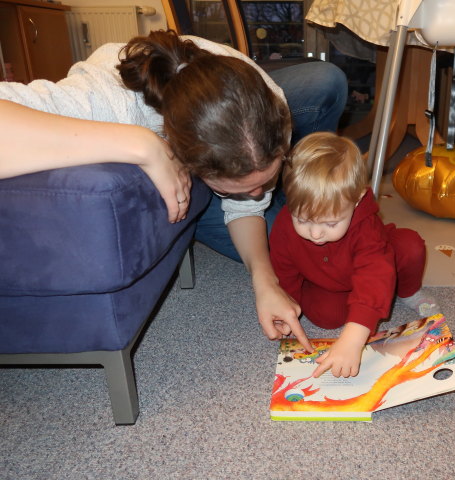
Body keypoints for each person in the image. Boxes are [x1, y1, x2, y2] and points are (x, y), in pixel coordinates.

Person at [0, 30, 348, 353]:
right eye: (247, 187)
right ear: (190, 163)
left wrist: (265, 280)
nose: (257, 194)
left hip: (233, 118)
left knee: (325, 82)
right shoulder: (105, 100)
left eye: (267, 177)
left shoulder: (270, 102)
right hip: (157, 127)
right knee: (304, 248)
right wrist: (142, 145)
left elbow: (249, 199)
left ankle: (296, 182)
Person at [269, 132, 441, 379]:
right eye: (303, 220)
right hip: (328, 280)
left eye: (330, 223)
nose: (315, 233)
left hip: (375, 263)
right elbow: (284, 271)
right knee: (326, 318)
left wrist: (353, 338)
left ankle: (407, 291)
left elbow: (374, 274)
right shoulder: (285, 225)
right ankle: (367, 301)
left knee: (410, 246)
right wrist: (287, 306)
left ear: (358, 199)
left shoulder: (366, 226)